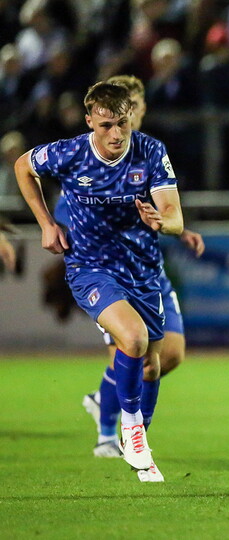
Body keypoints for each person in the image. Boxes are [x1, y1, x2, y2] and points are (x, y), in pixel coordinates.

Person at [15, 81, 185, 482]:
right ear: (90, 120)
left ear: (131, 118)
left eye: (122, 123)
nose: (116, 133)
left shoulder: (150, 151)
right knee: (134, 339)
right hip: (91, 268)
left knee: (152, 366)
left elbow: (175, 217)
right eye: (106, 125)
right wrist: (46, 223)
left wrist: (162, 222)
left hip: (142, 270)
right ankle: (129, 429)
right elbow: (23, 166)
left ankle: (137, 439)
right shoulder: (71, 152)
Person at [64, 75, 205, 465]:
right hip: (106, 271)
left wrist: (178, 229)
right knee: (129, 346)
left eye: (136, 110)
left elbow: (163, 210)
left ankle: (106, 400)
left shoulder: (147, 153)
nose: (134, 116)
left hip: (148, 270)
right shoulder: (84, 159)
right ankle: (109, 434)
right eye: (127, 111)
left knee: (169, 355)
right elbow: (74, 208)